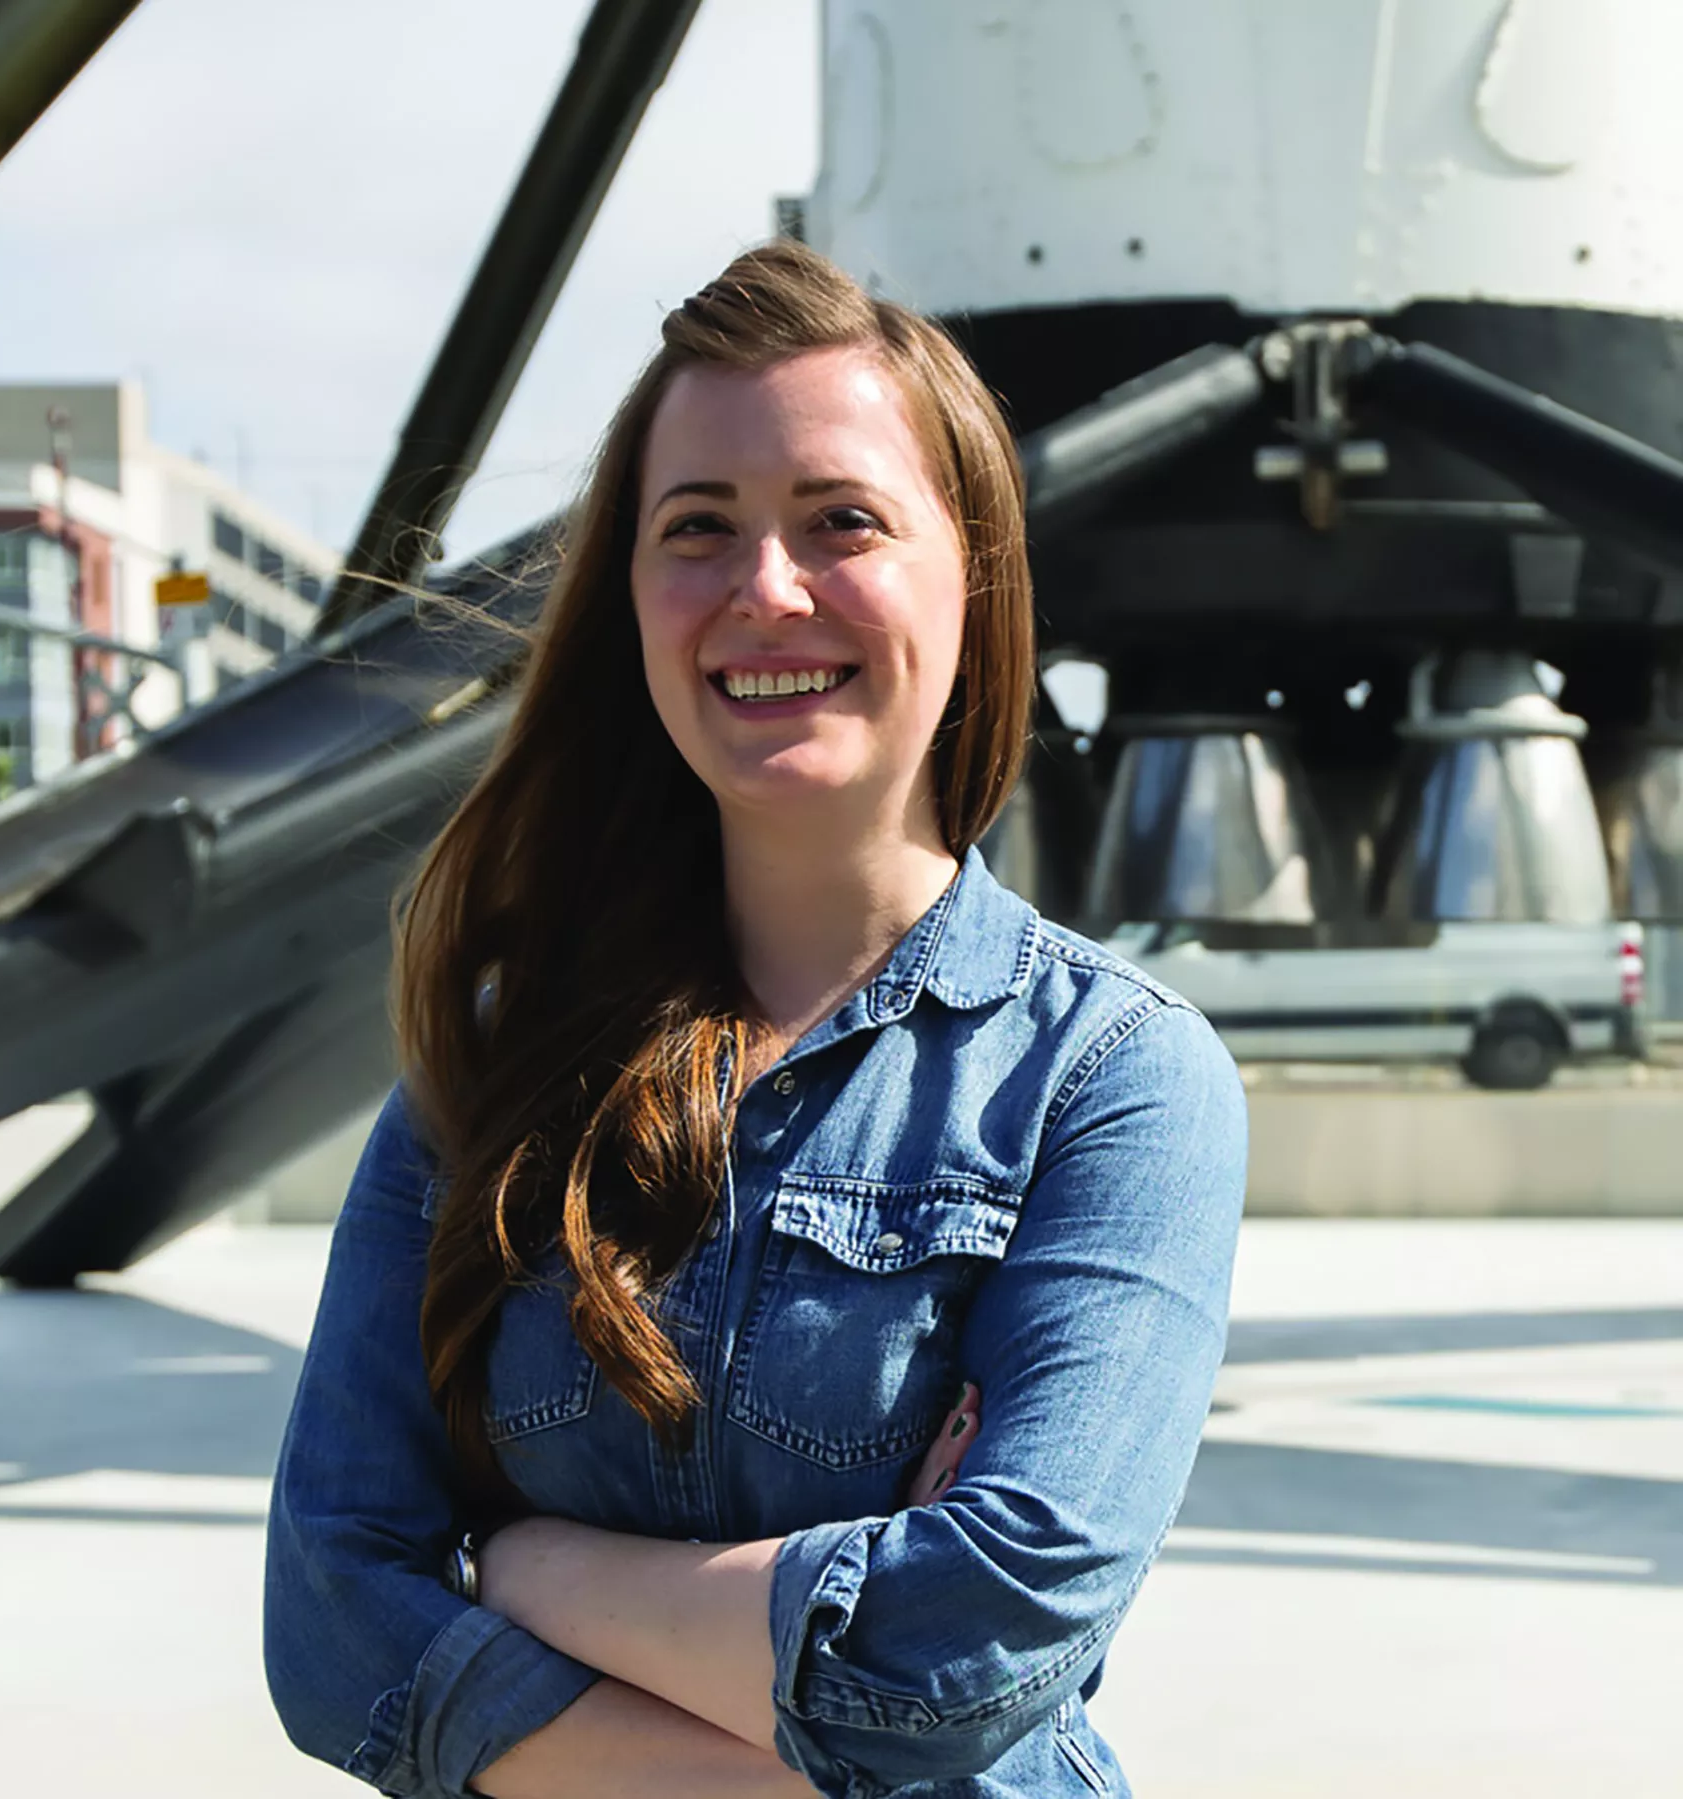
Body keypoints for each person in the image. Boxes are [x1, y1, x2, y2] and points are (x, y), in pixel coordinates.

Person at [264, 239, 1246, 1799]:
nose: (765, 589)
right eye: (698, 528)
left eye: (841, 519)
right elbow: (329, 1621)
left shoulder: (1109, 1079)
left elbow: (970, 1647)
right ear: (635, 596)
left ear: (970, 567)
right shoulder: (491, 1073)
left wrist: (524, 1564)